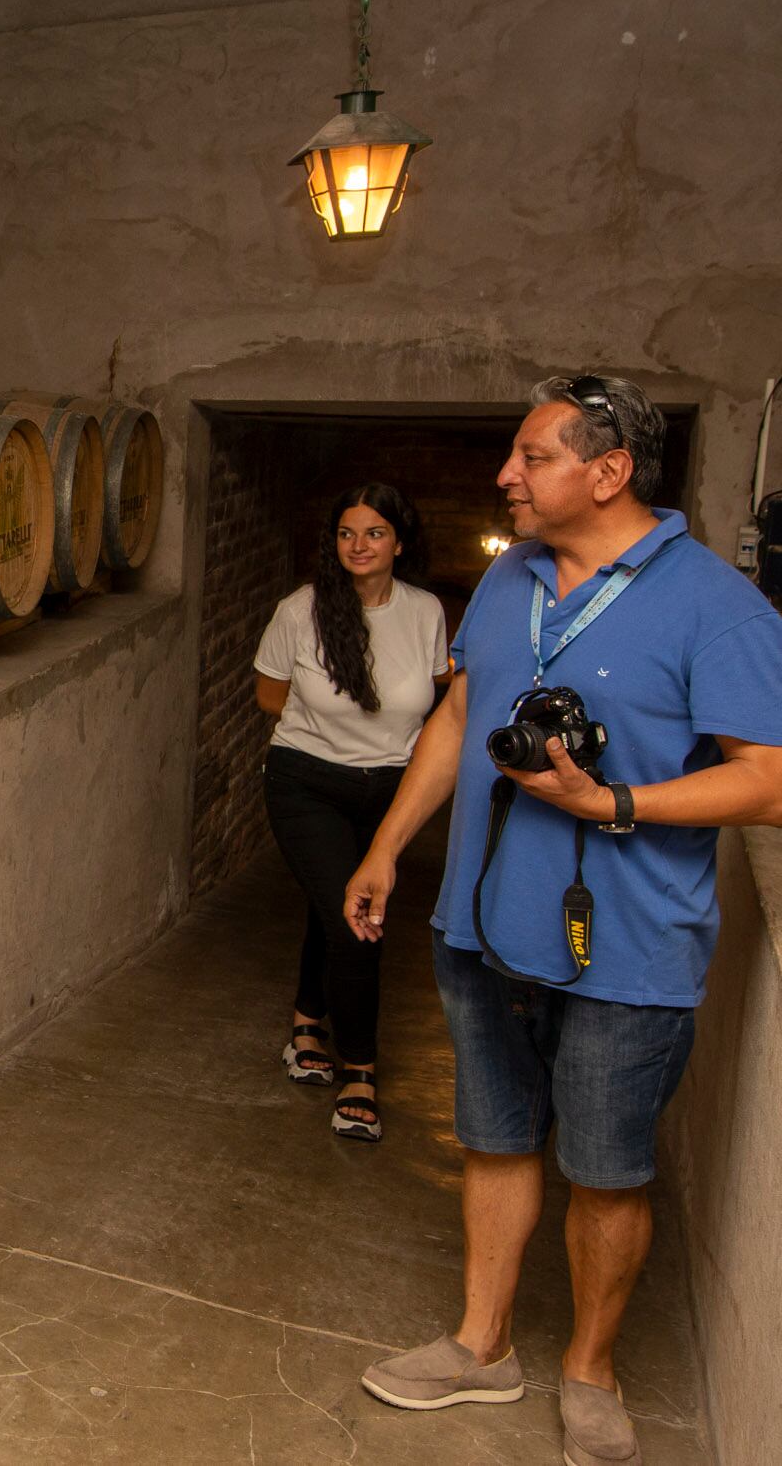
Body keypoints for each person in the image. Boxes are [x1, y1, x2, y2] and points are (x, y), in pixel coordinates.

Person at [343, 376, 782, 1466]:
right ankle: (481, 1347)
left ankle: (589, 1369)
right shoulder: (510, 582)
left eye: (531, 458)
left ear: (607, 470)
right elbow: (458, 715)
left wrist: (611, 803)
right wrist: (386, 846)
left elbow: (767, 783)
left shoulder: (716, 606)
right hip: (483, 923)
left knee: (605, 1167)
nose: (506, 476)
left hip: (629, 945)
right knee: (491, 1141)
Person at [255, 482, 447, 1141]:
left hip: (392, 791)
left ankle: (308, 1019)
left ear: (399, 541)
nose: (358, 546)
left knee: (331, 903)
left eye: (374, 533)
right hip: (306, 782)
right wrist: (333, 737)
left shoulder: (425, 612)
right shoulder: (299, 611)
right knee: (358, 919)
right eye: (346, 533)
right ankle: (359, 1070)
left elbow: (443, 701)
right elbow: (267, 694)